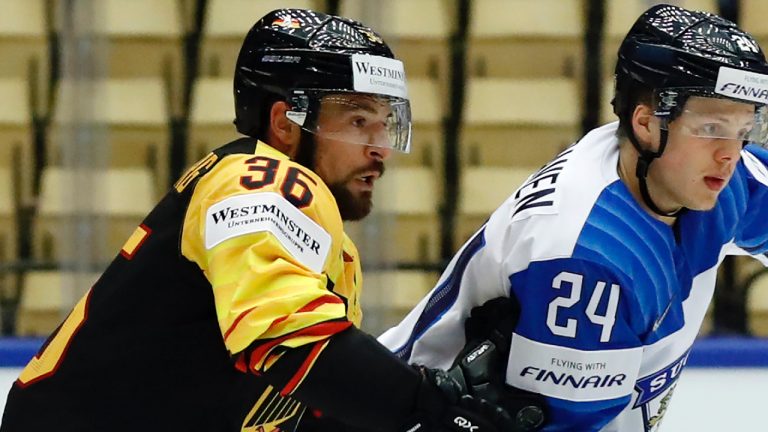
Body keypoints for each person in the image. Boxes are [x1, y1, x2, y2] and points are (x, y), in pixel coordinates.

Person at [1, 9, 518, 432]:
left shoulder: (309, 227)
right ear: (284, 123)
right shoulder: (263, 180)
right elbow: (291, 343)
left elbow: (301, 401)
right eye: (358, 120)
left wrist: (431, 392)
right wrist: (428, 408)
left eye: (385, 124)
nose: (381, 147)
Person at [378, 4, 768, 431]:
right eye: (712, 128)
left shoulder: (707, 177)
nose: (730, 153)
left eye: (743, 130)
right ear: (646, 124)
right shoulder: (587, 255)